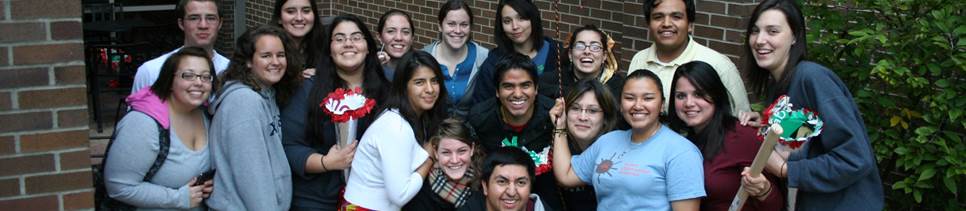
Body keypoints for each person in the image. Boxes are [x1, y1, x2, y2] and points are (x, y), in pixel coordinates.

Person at [738, 0, 884, 210]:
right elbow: (809, 133)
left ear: (795, 36)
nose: (760, 40)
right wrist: (765, 123)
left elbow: (855, 158)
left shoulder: (812, 78)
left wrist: (786, 170)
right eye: (755, 31)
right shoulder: (779, 86)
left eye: (772, 31)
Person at [551, 69, 706, 210]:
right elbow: (566, 176)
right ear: (621, 104)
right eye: (630, 98)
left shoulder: (681, 152)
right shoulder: (608, 141)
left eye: (648, 98)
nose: (638, 105)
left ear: (662, 105)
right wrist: (561, 126)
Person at [281, 14, 391, 210]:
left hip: (373, 198)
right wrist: (326, 162)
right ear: (329, 50)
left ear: (368, 48)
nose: (348, 43)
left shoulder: (388, 89)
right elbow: (289, 146)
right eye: (339, 39)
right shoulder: (308, 89)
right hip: (316, 198)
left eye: (356, 37)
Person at [104, 47, 215, 210]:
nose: (198, 82)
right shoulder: (143, 122)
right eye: (188, 75)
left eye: (206, 77)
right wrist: (178, 198)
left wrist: (206, 185)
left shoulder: (206, 116)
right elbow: (119, 187)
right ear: (169, 80)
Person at [206, 25, 301, 210]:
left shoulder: (267, 92)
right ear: (249, 61)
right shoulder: (244, 101)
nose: (276, 62)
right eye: (266, 56)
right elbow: (251, 174)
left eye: (280, 55)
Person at [667, 61, 783, 211]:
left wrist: (764, 190)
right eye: (681, 96)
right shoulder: (684, 142)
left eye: (699, 94)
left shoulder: (742, 136)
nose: (689, 103)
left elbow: (776, 204)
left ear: (716, 95)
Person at [342, 50, 448, 210]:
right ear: (404, 87)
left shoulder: (419, 117)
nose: (430, 89)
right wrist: (429, 160)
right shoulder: (395, 126)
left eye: (434, 81)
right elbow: (400, 195)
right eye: (419, 82)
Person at [465, 53, 561, 210]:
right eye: (508, 86)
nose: (517, 94)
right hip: (499, 196)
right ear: (497, 91)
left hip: (546, 193)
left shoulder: (553, 116)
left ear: (536, 89)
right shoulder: (480, 119)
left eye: (525, 85)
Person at [627, 0, 750, 115]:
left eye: (676, 17)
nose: (666, 24)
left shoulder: (718, 64)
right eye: (658, 17)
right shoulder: (639, 59)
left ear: (690, 25)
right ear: (649, 24)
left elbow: (741, 120)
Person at [466, 0, 562, 106]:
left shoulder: (557, 53)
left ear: (532, 19)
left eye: (521, 18)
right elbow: (481, 107)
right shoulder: (493, 63)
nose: (515, 26)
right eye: (507, 21)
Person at [546, 79, 620, 210]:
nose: (583, 117)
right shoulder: (552, 144)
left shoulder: (615, 150)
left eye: (592, 111)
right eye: (575, 108)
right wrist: (560, 126)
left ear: (606, 118)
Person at [132, 0, 230, 94]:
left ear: (220, 23)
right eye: (194, 18)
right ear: (181, 23)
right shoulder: (151, 71)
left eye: (211, 18)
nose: (203, 25)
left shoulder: (231, 71)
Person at [422, 0, 491, 113]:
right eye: (451, 24)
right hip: (433, 128)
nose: (458, 30)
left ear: (470, 27)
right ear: (440, 26)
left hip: (473, 129)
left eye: (464, 24)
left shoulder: (483, 57)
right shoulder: (425, 56)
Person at [404, 117, 486, 211]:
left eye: (462, 151)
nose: (455, 160)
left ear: (472, 149)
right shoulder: (421, 195)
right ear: (435, 152)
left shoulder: (485, 183)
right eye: (446, 153)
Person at [539, 25, 623, 101]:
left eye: (595, 47)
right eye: (580, 46)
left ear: (604, 56)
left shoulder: (617, 86)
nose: (587, 51)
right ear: (570, 54)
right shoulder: (555, 79)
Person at [457, 147, 553, 211]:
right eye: (502, 182)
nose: (511, 192)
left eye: (520, 182)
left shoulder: (538, 208)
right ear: (485, 186)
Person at [272, 0, 323, 78]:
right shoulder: (268, 47)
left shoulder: (325, 44)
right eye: (290, 11)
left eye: (306, 11)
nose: (299, 18)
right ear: (279, 18)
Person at [376, 9, 416, 79]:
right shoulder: (365, 66)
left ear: (412, 38)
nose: (398, 38)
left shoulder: (421, 68)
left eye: (405, 32)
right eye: (391, 31)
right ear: (380, 37)